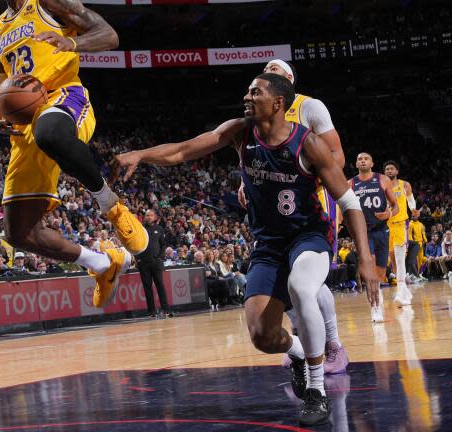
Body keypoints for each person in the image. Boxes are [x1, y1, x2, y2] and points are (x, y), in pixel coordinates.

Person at [113, 73, 379, 425]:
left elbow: (348, 201)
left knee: (302, 288)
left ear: (279, 103)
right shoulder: (240, 132)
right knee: (262, 337)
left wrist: (367, 259)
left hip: (308, 237)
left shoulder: (308, 144)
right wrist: (141, 154)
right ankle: (299, 354)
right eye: (248, 91)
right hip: (268, 245)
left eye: (256, 92)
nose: (247, 96)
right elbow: (182, 150)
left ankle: (317, 391)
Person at [0, 0, 147, 309]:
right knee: (18, 233)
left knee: (50, 132)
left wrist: (73, 43)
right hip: (24, 125)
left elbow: (109, 34)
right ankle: (102, 262)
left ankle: (112, 207)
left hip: (64, 96)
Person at [250, 60, 349, 375]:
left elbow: (337, 156)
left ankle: (333, 345)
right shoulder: (258, 115)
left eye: (275, 71)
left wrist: (301, 171)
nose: (268, 74)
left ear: (287, 83)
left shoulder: (310, 106)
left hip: (308, 200)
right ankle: (304, 342)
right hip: (273, 206)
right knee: (289, 282)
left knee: (307, 281)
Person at [349, 152, 400, 322]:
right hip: (364, 232)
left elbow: (396, 206)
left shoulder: (382, 179)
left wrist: (389, 214)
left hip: (381, 230)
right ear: (356, 164)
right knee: (369, 265)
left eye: (366, 158)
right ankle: (375, 307)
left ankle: (378, 297)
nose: (362, 160)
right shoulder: (351, 183)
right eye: (359, 159)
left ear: (372, 162)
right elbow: (344, 209)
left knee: (380, 272)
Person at [383, 161, 419, 306]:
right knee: (392, 260)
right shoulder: (382, 186)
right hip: (386, 225)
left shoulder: (404, 184)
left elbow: (410, 199)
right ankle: (405, 291)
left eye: (391, 169)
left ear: (397, 171)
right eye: (386, 169)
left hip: (400, 224)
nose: (389, 171)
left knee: (399, 259)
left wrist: (414, 209)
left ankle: (400, 291)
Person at [137, 209, 171, 318]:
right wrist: (138, 258)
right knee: (147, 288)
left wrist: (160, 258)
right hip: (143, 263)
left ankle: (166, 310)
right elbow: (134, 245)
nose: (149, 217)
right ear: (144, 217)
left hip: (156, 262)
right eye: (147, 215)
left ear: (155, 217)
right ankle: (151, 312)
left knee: (160, 285)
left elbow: (163, 245)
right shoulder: (140, 229)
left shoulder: (159, 229)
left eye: (151, 215)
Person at [407, 212, 428, 282]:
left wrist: (425, 239)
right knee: (414, 261)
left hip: (421, 244)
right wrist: (411, 243)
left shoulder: (421, 224)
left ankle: (419, 274)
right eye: (412, 216)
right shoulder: (410, 224)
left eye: (414, 216)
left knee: (421, 260)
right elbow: (409, 234)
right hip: (414, 244)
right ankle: (414, 275)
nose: (413, 217)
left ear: (417, 216)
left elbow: (423, 233)